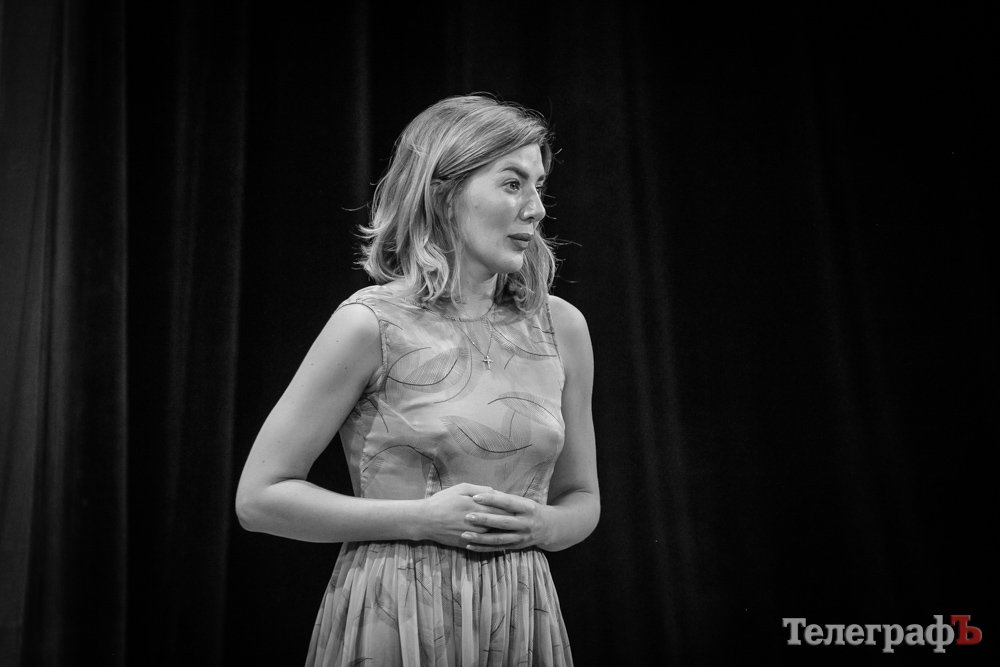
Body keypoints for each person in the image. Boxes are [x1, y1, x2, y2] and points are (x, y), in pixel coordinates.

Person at [236, 93, 599, 666]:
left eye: (539, 187)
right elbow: (260, 499)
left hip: (521, 614)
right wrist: (421, 520)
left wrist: (544, 526)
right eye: (512, 184)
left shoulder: (561, 328)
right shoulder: (370, 324)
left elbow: (582, 498)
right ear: (443, 193)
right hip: (398, 611)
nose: (535, 209)